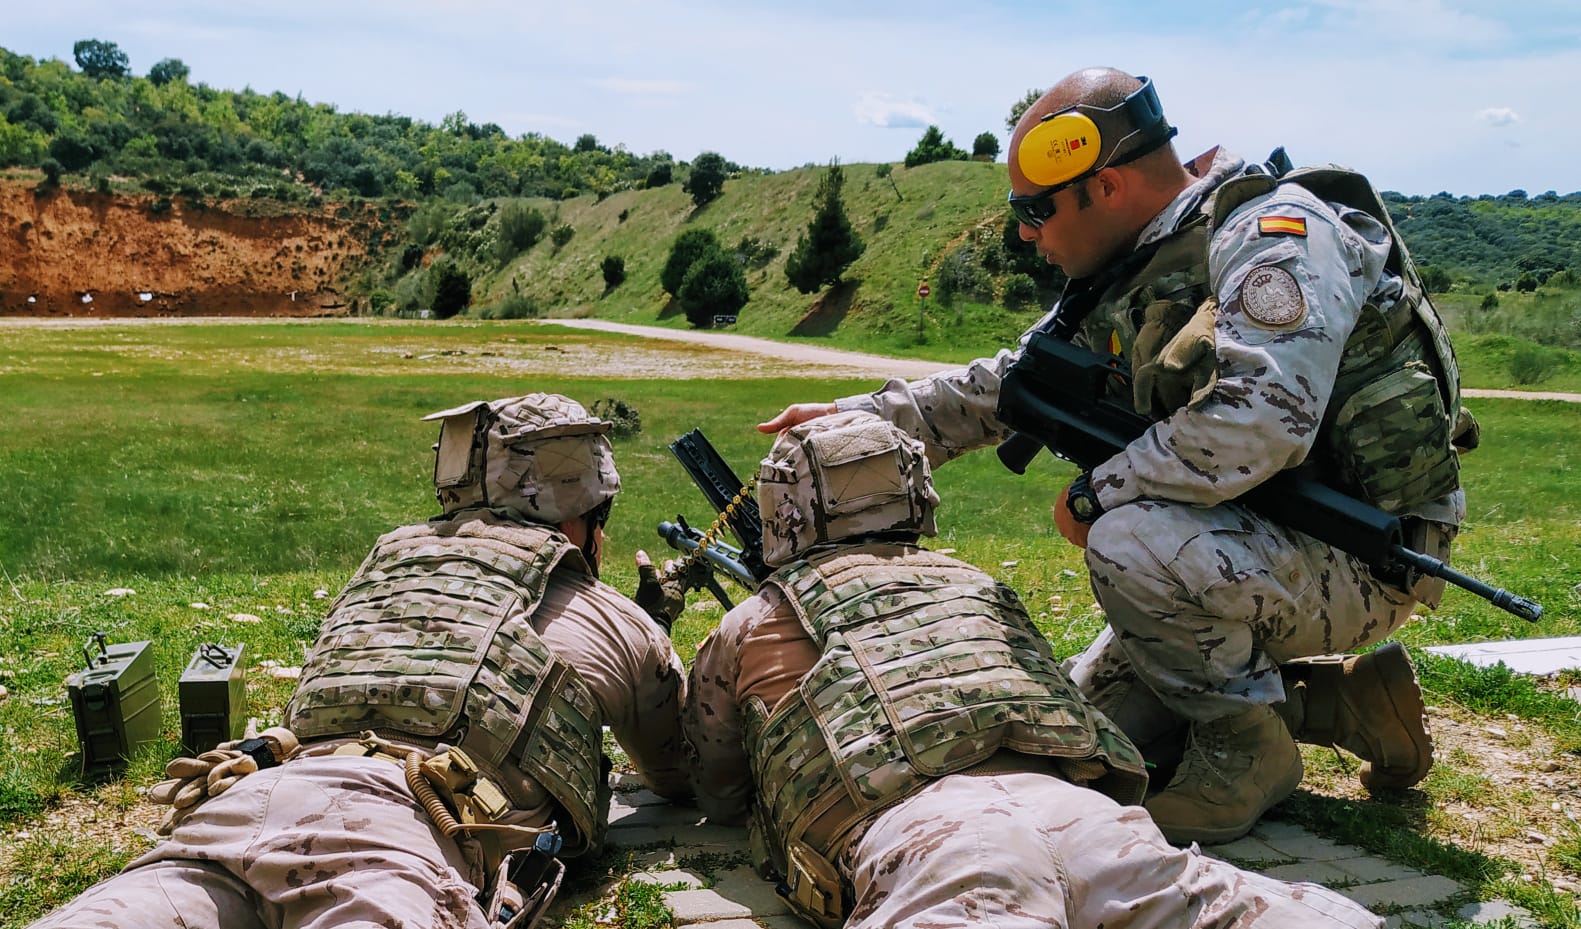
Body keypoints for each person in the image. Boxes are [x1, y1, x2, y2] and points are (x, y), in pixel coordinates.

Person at [759, 67, 1473, 843]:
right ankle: (1348, 705)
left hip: (1362, 552)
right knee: (1082, 732)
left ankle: (1245, 752)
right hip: (1247, 547)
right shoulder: (1140, 260)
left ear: (1103, 186)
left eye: (1035, 210)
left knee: (1127, 537)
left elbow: (1262, 418)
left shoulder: (1270, 236)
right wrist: (854, 415)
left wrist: (1097, 493)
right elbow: (1009, 387)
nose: (1026, 233)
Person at [683, 411, 1384, 929]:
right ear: (914, 491)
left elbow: (715, 784)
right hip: (1089, 816)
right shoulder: (976, 584)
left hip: (935, 843)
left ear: (785, 507)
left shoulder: (750, 623)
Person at [29, 393, 695, 929]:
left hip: (246, 803)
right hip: (399, 843)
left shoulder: (385, 564)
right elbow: (678, 774)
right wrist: (649, 633)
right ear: (584, 514)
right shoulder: (613, 618)